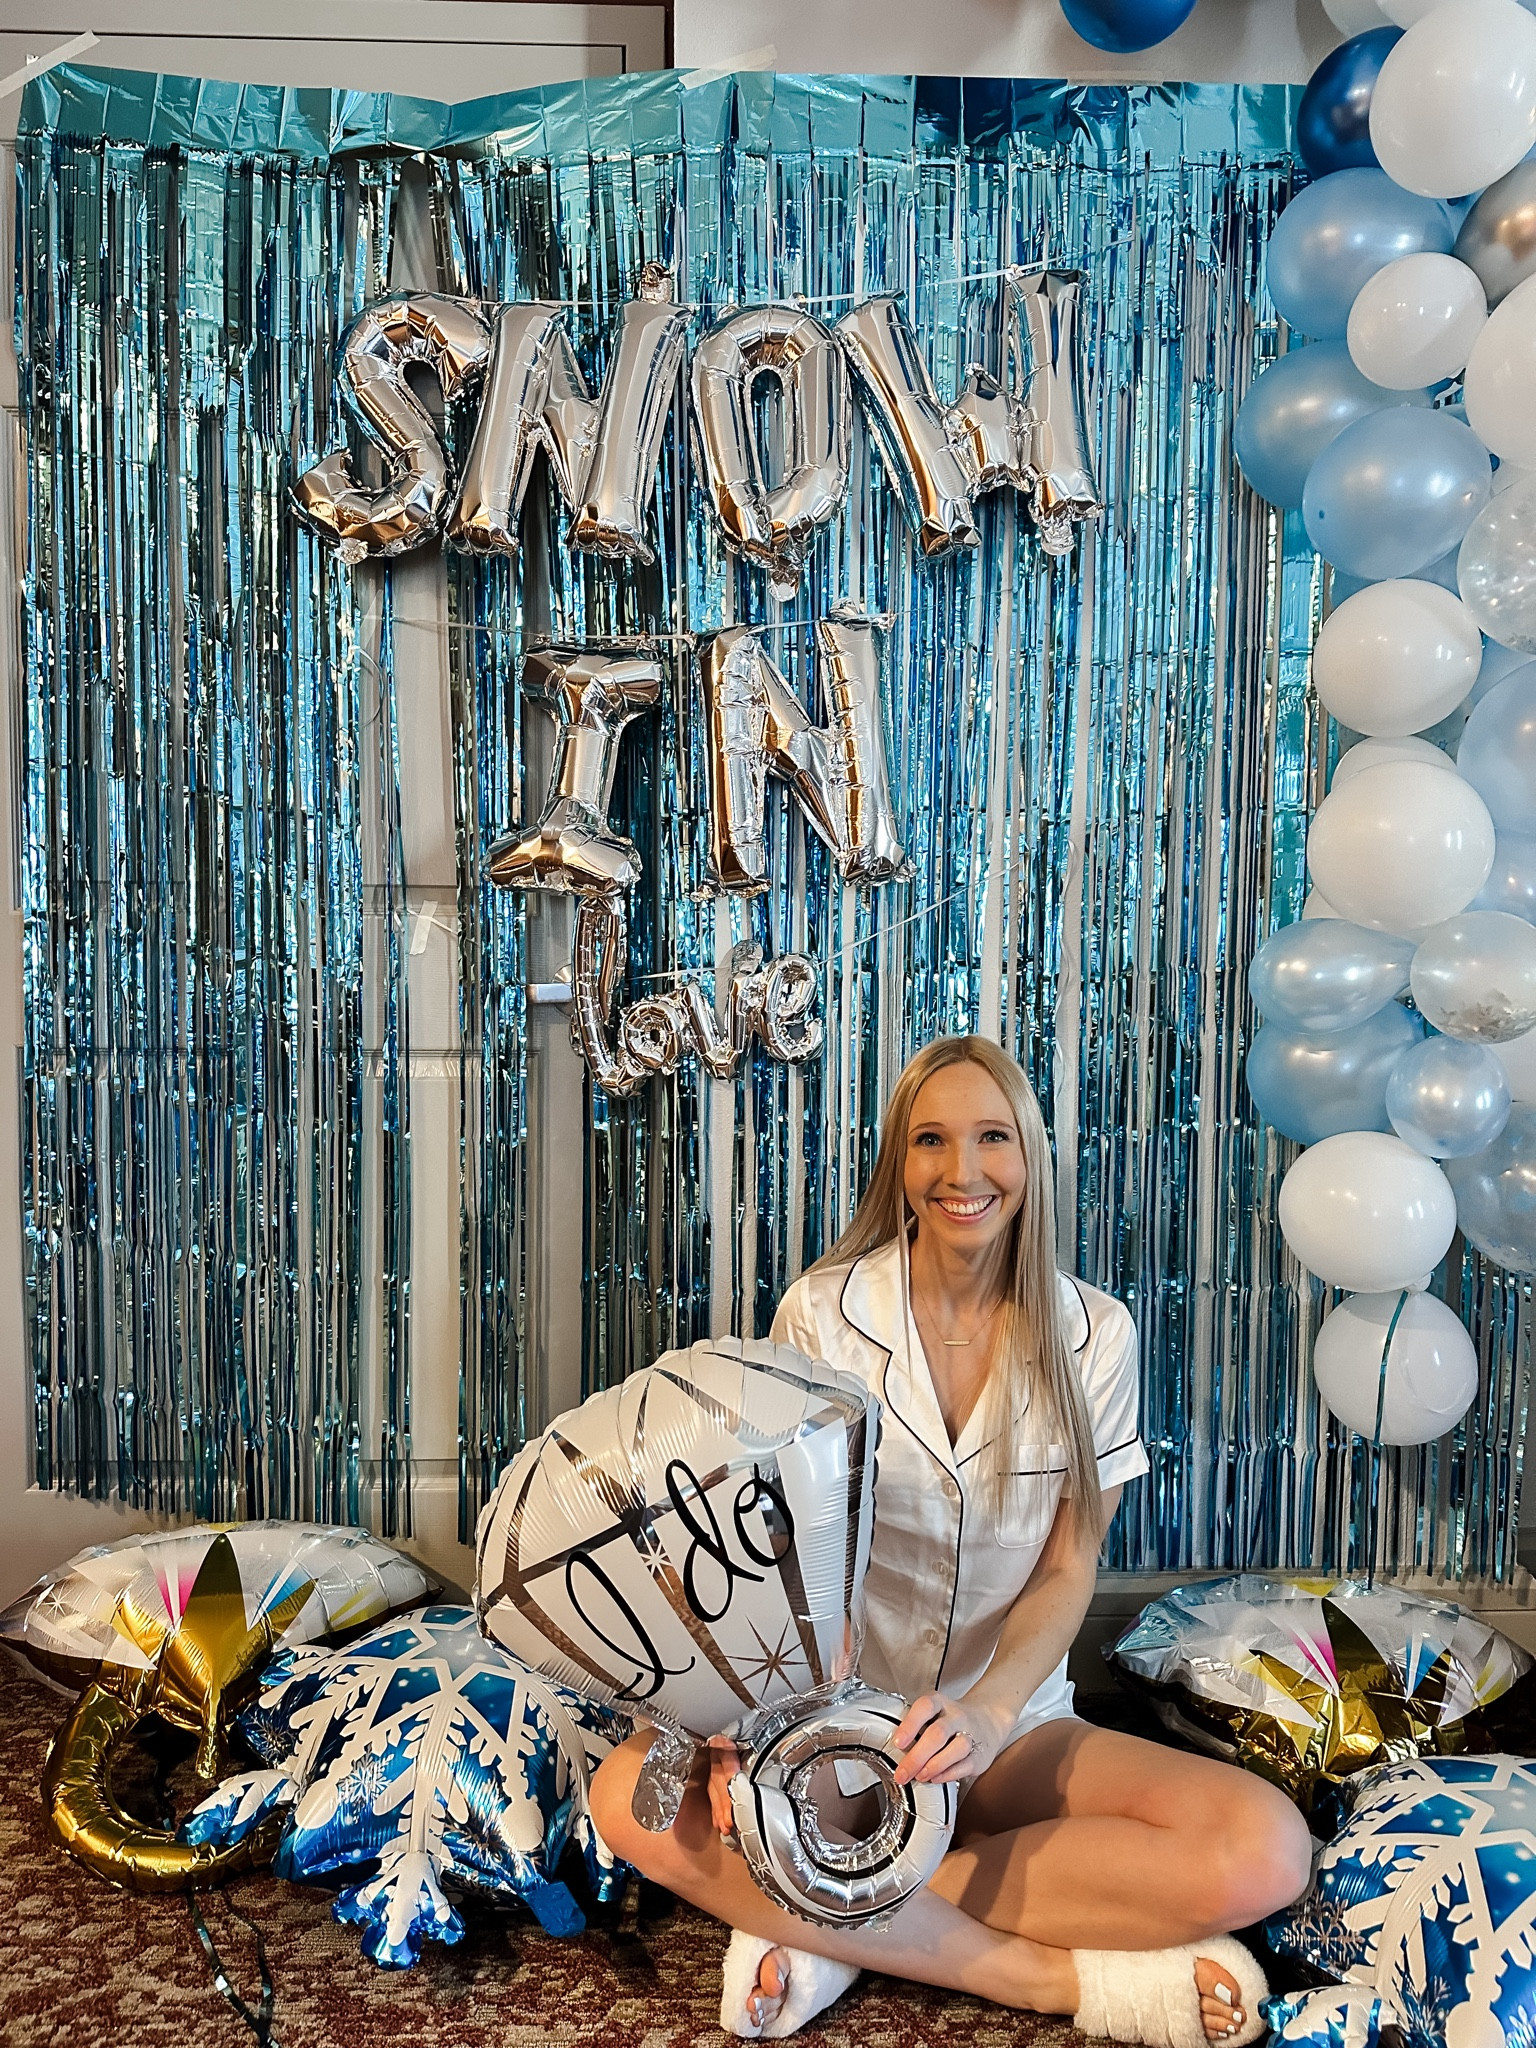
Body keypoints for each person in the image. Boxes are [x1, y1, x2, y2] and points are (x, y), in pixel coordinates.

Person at [589, 1035, 1312, 2043]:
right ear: (899, 1159)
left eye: (991, 1137)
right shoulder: (823, 1311)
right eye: (931, 1139)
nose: (962, 1171)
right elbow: (778, 1539)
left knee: (1266, 1849)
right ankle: (1046, 1977)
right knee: (630, 1798)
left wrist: (987, 1708)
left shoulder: (1098, 1333)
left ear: (1031, 1157)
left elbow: (1069, 1562)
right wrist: (762, 1704)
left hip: (1010, 1727)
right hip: (831, 1729)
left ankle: (835, 1916)